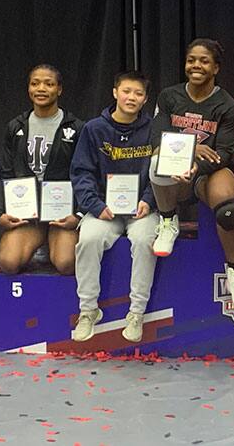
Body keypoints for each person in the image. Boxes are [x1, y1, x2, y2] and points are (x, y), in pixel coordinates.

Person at [149, 39, 234, 310]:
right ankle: (169, 220)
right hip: (176, 169)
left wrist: (196, 166)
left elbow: (225, 153)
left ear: (215, 67)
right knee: (157, 161)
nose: (196, 65)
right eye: (191, 59)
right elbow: (157, 139)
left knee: (229, 211)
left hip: (210, 171)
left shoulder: (228, 106)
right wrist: (191, 151)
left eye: (204, 61)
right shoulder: (169, 96)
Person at [70, 71, 158, 343]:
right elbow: (81, 172)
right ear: (115, 92)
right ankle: (88, 311)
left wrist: (149, 200)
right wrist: (95, 206)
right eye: (126, 91)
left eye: (138, 93)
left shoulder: (153, 129)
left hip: (142, 209)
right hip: (104, 210)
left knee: (145, 241)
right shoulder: (94, 129)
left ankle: (136, 313)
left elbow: (162, 171)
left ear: (145, 100)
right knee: (88, 239)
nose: (131, 97)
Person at [0, 64, 84, 275]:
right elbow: (6, 173)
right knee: (8, 262)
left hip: (62, 212)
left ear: (59, 90)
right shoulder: (16, 126)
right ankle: (39, 240)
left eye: (49, 84)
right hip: (29, 212)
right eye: (35, 83)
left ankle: (51, 242)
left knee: (66, 263)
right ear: (28, 89)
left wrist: (78, 215)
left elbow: (85, 174)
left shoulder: (76, 127)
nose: (41, 88)